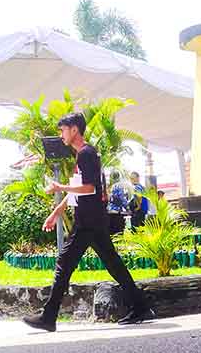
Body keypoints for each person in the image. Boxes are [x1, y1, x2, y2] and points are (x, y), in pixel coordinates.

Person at [23, 112, 153, 332]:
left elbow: (90, 188)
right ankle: (140, 306)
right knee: (113, 263)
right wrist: (57, 211)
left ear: (74, 130)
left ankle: (48, 317)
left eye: (63, 130)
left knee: (64, 264)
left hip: (88, 221)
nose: (61, 135)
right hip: (92, 219)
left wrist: (58, 187)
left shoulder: (86, 154)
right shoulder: (84, 154)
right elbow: (80, 186)